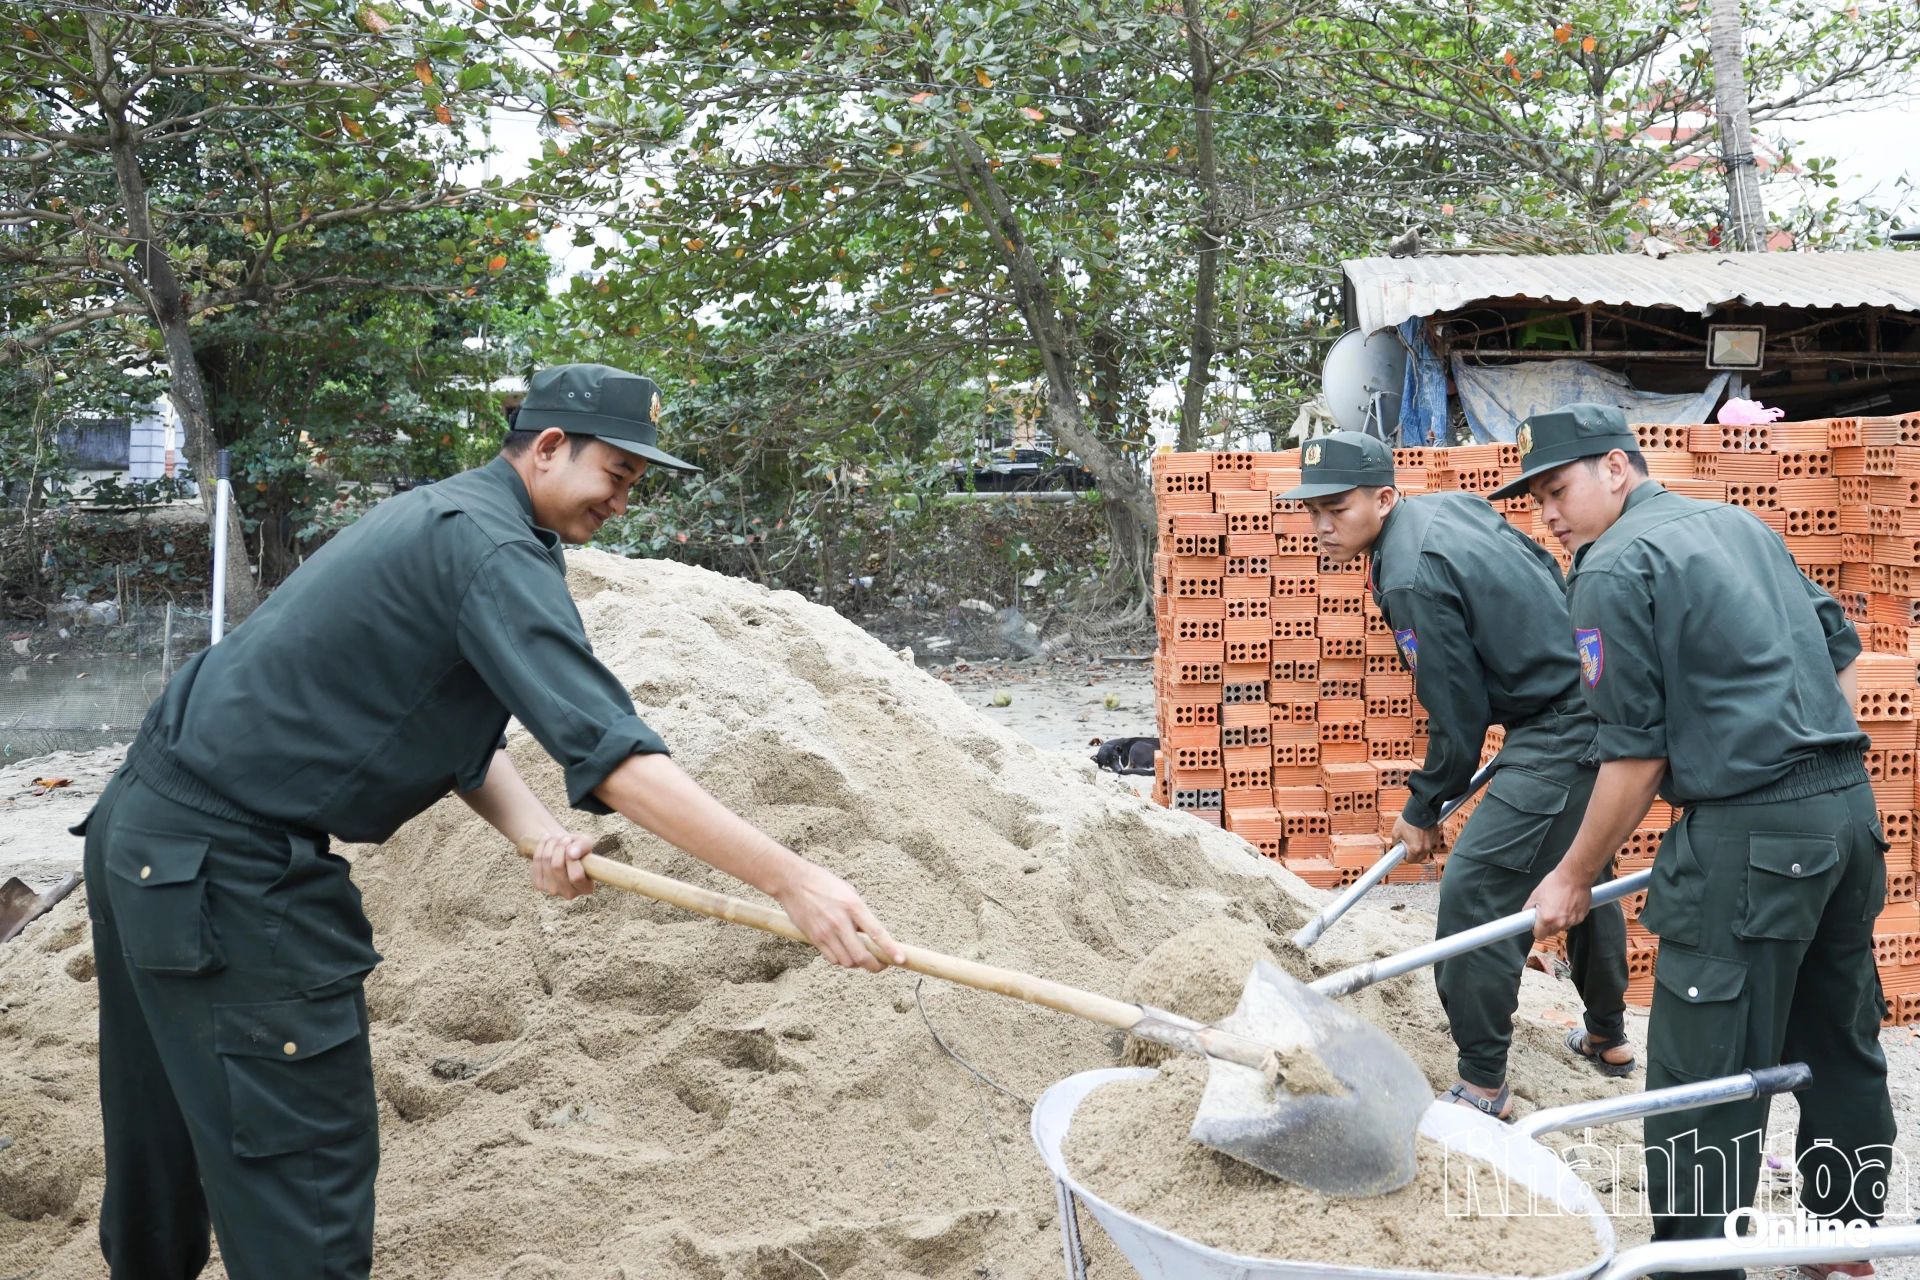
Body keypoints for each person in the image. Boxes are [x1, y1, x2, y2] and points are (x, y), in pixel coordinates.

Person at [79, 363, 905, 1280]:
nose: (621, 502)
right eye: (616, 477)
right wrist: (792, 879)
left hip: (145, 835)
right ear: (549, 448)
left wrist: (531, 835)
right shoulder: (491, 549)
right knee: (301, 1173)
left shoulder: (452, 517)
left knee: (161, 1141)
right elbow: (619, 759)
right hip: (224, 873)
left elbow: (454, 735)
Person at [1518, 403, 1892, 1280]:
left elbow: (1635, 755)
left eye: (1559, 488)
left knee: (1707, 1072)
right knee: (1837, 1039)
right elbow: (1841, 649)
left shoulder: (1611, 566)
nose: (1549, 515)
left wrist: (1572, 877)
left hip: (1751, 835)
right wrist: (1781, 728)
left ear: (1617, 468)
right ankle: (1845, 1248)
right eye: (1536, 499)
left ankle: (1695, 1267)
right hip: (1846, 813)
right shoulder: (1737, 523)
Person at [1284, 431, 1631, 1120]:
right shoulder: (1446, 509)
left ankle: (1481, 1085)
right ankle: (1606, 1037)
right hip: (1585, 698)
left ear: (1383, 497)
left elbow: (1458, 715)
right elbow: (1539, 567)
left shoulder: (1407, 572)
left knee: (1475, 893)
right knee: (1579, 863)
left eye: (1338, 509)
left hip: (1564, 724)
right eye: (1312, 510)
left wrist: (1422, 808)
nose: (1321, 526)